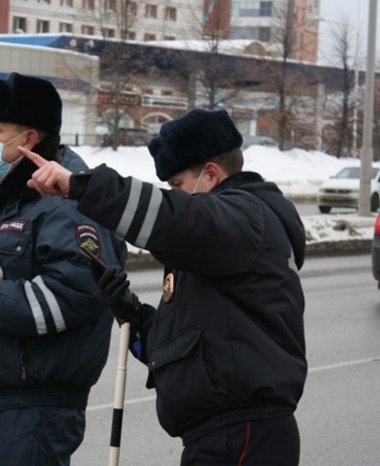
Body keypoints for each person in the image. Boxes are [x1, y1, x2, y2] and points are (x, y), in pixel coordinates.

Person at [22, 108, 307, 465]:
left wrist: (83, 187)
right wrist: (133, 314)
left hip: (242, 435)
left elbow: (176, 220)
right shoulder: (219, 242)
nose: (174, 196)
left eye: (177, 186)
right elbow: (186, 347)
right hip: (220, 436)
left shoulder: (243, 216)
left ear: (211, 174)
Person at [0, 72, 127, 466]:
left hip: (33, 411)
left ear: (29, 139)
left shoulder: (68, 199)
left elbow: (83, 288)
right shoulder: (0, 200)